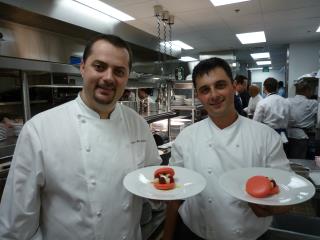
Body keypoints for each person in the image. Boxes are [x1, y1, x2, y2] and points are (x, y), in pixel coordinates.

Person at [0, 34, 161, 240]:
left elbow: (153, 181)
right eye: (100, 67)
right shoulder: (39, 130)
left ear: (127, 77)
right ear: (83, 68)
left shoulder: (137, 124)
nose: (109, 78)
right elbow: (17, 223)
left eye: (119, 71)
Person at [163, 58, 290, 240]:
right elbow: (174, 195)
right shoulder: (186, 137)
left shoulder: (266, 136)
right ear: (198, 96)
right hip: (193, 233)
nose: (213, 95)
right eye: (205, 89)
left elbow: (286, 193)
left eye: (220, 85)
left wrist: (274, 206)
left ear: (233, 87)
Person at [287, 79, 318, 159]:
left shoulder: (287, 101)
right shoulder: (312, 103)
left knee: (288, 159)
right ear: (307, 90)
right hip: (301, 137)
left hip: (287, 134)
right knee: (300, 162)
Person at [253, 77, 290, 143]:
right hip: (283, 137)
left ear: (264, 88)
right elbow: (288, 119)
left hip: (268, 137)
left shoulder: (262, 103)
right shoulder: (286, 102)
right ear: (277, 88)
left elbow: (256, 123)